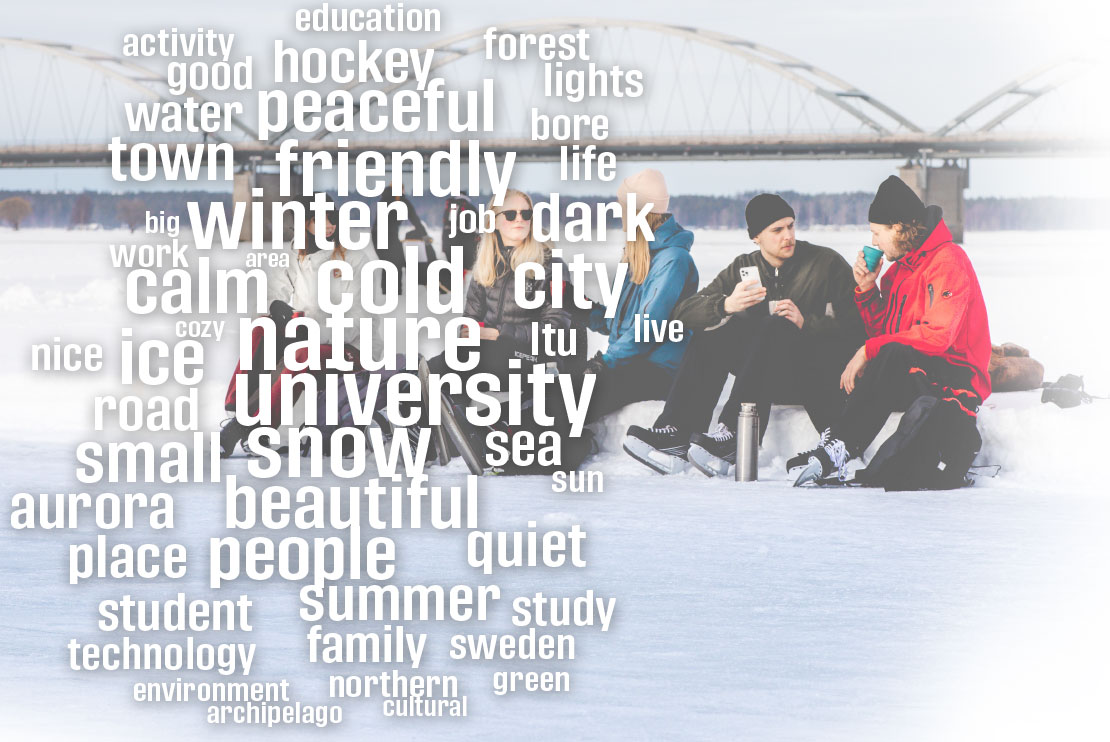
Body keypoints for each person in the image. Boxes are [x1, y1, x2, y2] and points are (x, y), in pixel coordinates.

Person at [623, 193, 863, 476]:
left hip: (816, 375)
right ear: (756, 238)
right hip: (762, 377)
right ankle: (677, 430)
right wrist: (726, 305)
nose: (788, 236)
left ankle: (734, 434)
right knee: (716, 329)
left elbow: (859, 328)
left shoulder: (825, 263)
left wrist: (805, 323)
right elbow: (684, 312)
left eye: (790, 226)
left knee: (776, 325)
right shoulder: (743, 267)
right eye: (777, 230)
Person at [790, 175, 991, 485]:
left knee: (890, 351)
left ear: (898, 228)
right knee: (822, 347)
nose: (874, 243)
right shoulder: (897, 272)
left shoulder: (948, 262)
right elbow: (883, 333)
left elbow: (938, 337)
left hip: (951, 377)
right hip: (910, 372)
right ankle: (832, 438)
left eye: (877, 233)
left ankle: (841, 446)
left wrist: (870, 350)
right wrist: (868, 289)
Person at [415, 189, 570, 462]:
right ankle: (433, 439)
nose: (519, 219)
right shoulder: (486, 267)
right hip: (489, 356)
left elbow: (556, 330)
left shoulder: (550, 265)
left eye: (526, 214)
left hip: (532, 359)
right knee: (434, 369)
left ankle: (463, 432)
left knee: (464, 358)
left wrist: (500, 334)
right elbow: (469, 320)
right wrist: (466, 332)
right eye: (510, 214)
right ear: (494, 222)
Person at [219, 195, 378, 457]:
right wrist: (277, 308)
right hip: (307, 338)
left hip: (351, 348)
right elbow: (273, 292)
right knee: (263, 328)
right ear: (305, 224)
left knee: (302, 354)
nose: (330, 225)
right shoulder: (296, 256)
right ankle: (239, 408)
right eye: (320, 219)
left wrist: (312, 332)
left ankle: (254, 428)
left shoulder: (355, 261)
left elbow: (359, 320)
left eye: (332, 217)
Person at [578, 168, 698, 422]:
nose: (619, 213)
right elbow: (615, 325)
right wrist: (580, 307)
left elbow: (647, 328)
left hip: (659, 370)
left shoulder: (673, 260)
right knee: (565, 386)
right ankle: (504, 430)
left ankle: (526, 443)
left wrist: (604, 363)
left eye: (623, 206)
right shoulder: (636, 256)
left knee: (576, 395)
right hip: (630, 363)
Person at [372, 187, 429, 293]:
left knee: (388, 262)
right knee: (396, 263)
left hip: (377, 235)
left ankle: (386, 290)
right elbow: (414, 219)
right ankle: (395, 291)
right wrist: (425, 237)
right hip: (389, 235)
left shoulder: (384, 199)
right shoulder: (401, 202)